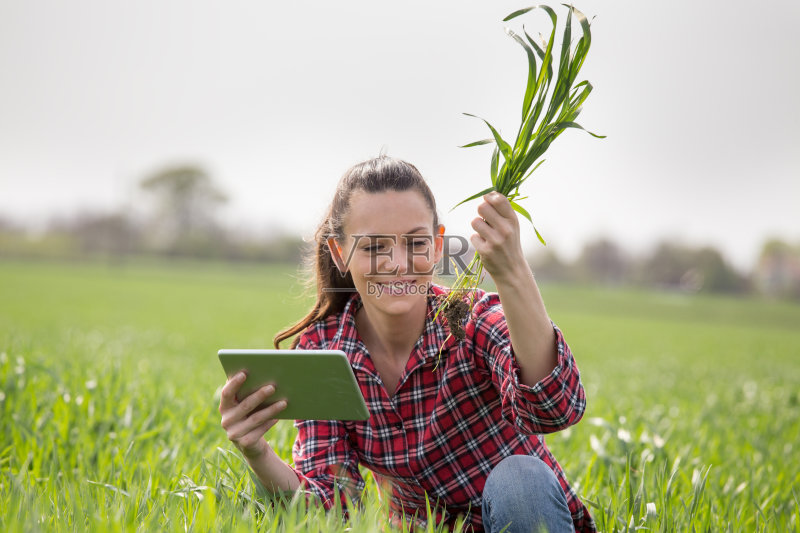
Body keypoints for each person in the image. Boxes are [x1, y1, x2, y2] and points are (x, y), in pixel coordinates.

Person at [218, 156, 595, 532]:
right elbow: (333, 509)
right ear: (339, 253)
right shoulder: (325, 350)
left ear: (436, 247)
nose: (397, 263)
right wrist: (257, 452)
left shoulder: (470, 318)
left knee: (519, 478)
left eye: (415, 243)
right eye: (373, 247)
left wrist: (512, 272)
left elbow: (555, 409)